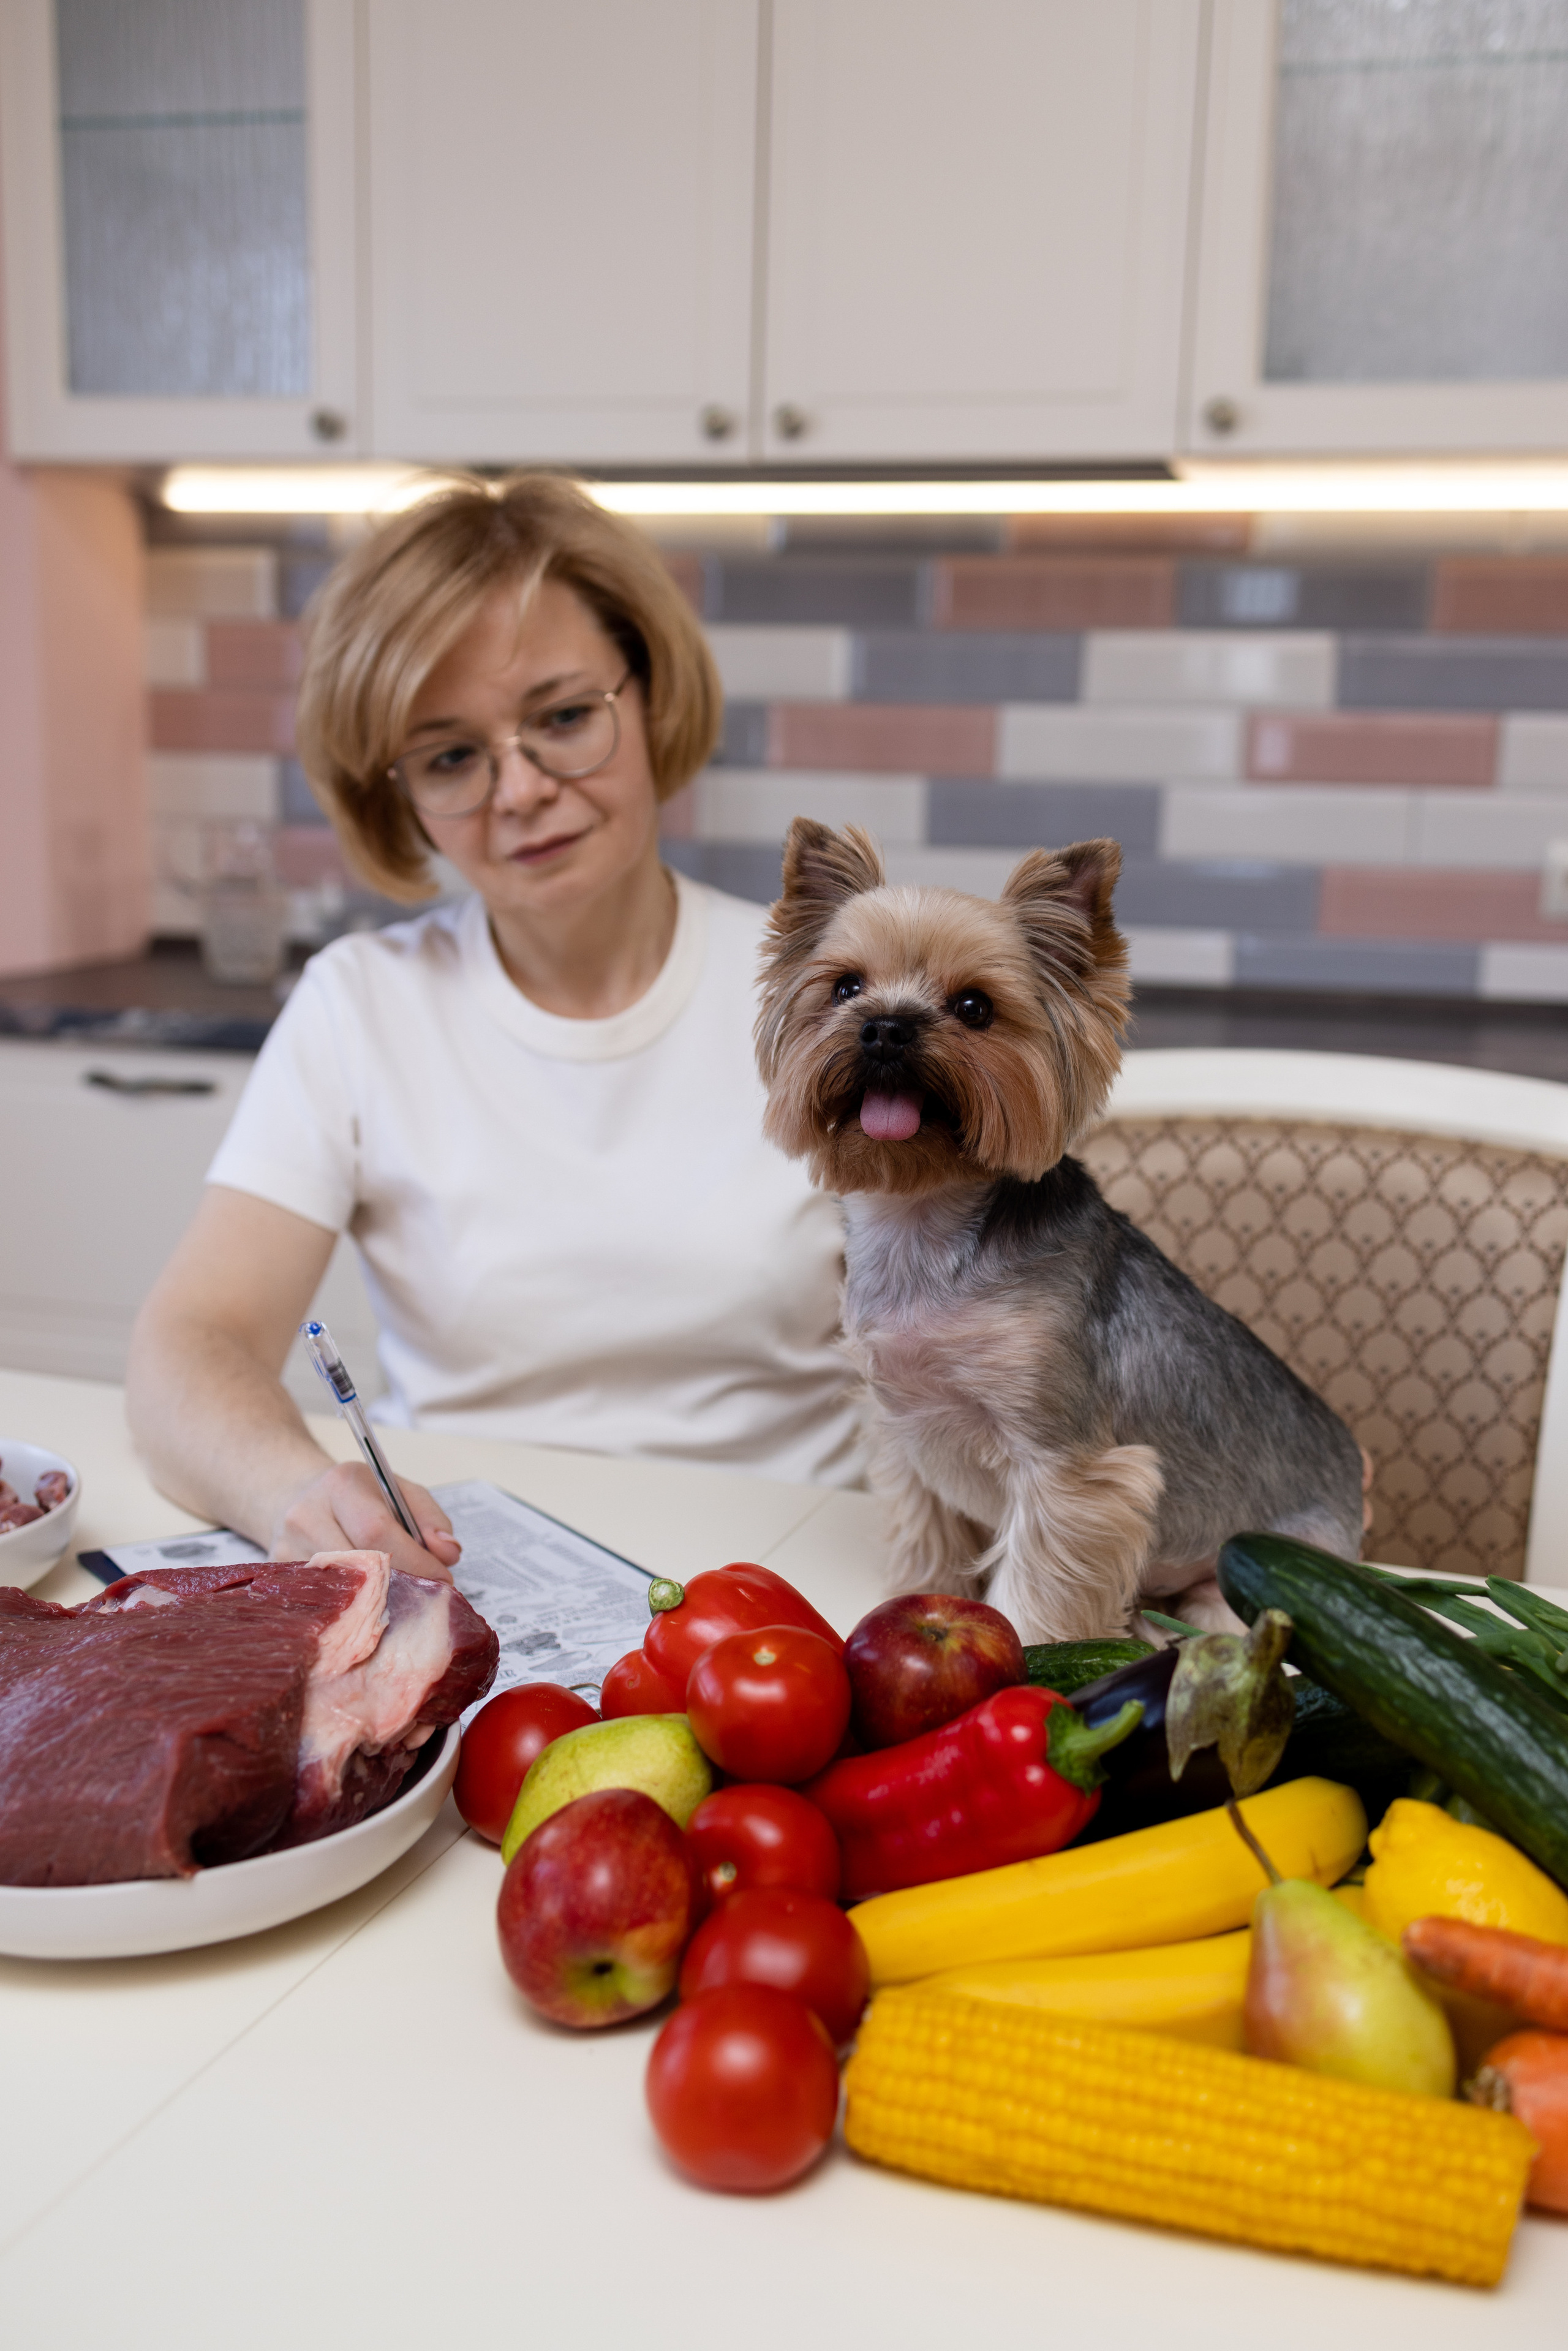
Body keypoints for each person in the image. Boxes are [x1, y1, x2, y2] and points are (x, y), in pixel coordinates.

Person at [127, 474, 862, 1583]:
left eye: (563, 717)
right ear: (399, 796)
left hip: (795, 1601)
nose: (519, 789)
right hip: (480, 1592)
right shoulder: (360, 1005)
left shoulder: (838, 1000)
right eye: (451, 755)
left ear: (650, 698)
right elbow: (188, 1345)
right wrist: (299, 1490)